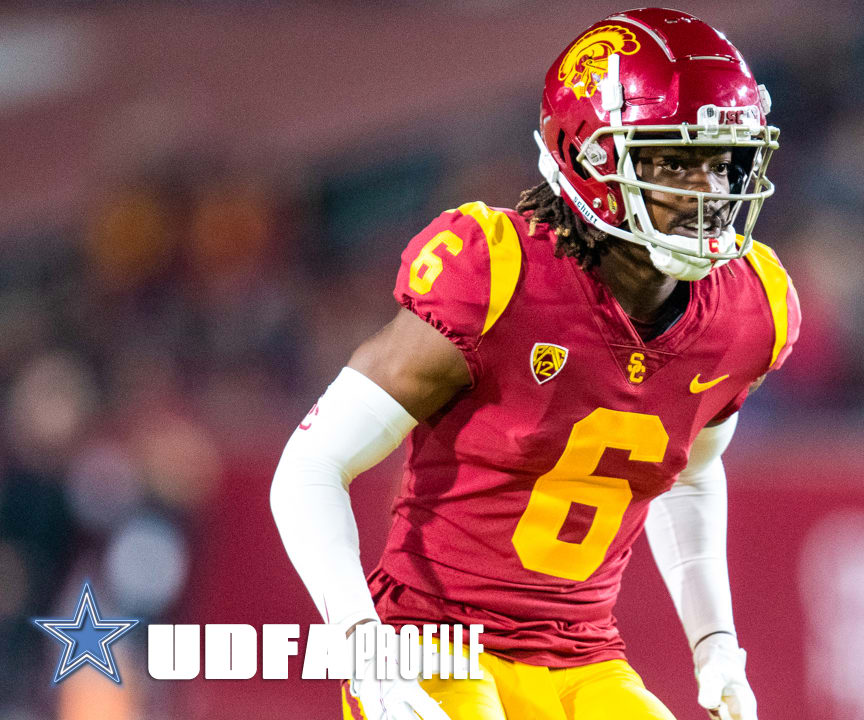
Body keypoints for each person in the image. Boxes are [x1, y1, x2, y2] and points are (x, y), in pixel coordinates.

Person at [270, 8, 799, 720]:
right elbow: (307, 469)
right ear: (589, 158)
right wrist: (365, 648)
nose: (709, 191)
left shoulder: (749, 309)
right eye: (675, 160)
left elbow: (693, 472)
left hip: (585, 660)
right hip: (434, 644)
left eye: (721, 160)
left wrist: (715, 646)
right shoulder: (498, 275)